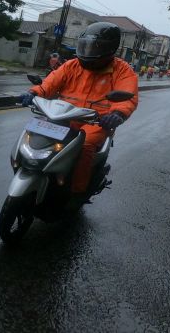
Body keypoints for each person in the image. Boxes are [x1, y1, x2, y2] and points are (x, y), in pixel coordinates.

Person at [20, 22, 139, 209]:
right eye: (86, 46)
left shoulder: (122, 70)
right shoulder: (71, 65)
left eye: (95, 48)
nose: (89, 51)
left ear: (110, 49)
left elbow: (127, 97)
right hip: (61, 116)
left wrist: (117, 113)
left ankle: (77, 192)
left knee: (85, 145)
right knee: (34, 131)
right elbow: (49, 84)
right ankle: (29, 167)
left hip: (97, 122)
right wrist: (33, 93)